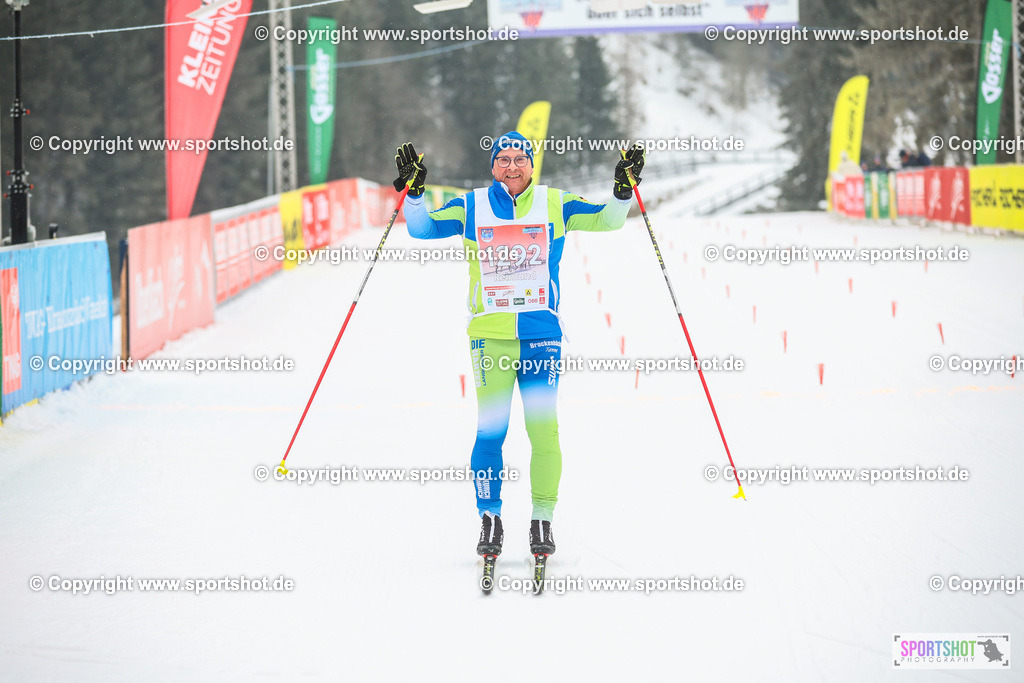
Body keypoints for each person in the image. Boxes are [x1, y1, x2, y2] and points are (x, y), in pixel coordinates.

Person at [393, 132, 644, 560]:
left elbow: (608, 220)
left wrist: (622, 191)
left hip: (541, 338)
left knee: (543, 432)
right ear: (492, 167)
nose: (512, 166)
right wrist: (413, 195)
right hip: (490, 339)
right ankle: (489, 518)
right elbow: (421, 229)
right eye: (503, 159)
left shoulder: (555, 204)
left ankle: (542, 520)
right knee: (491, 432)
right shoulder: (471, 207)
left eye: (520, 159)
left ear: (532, 165)